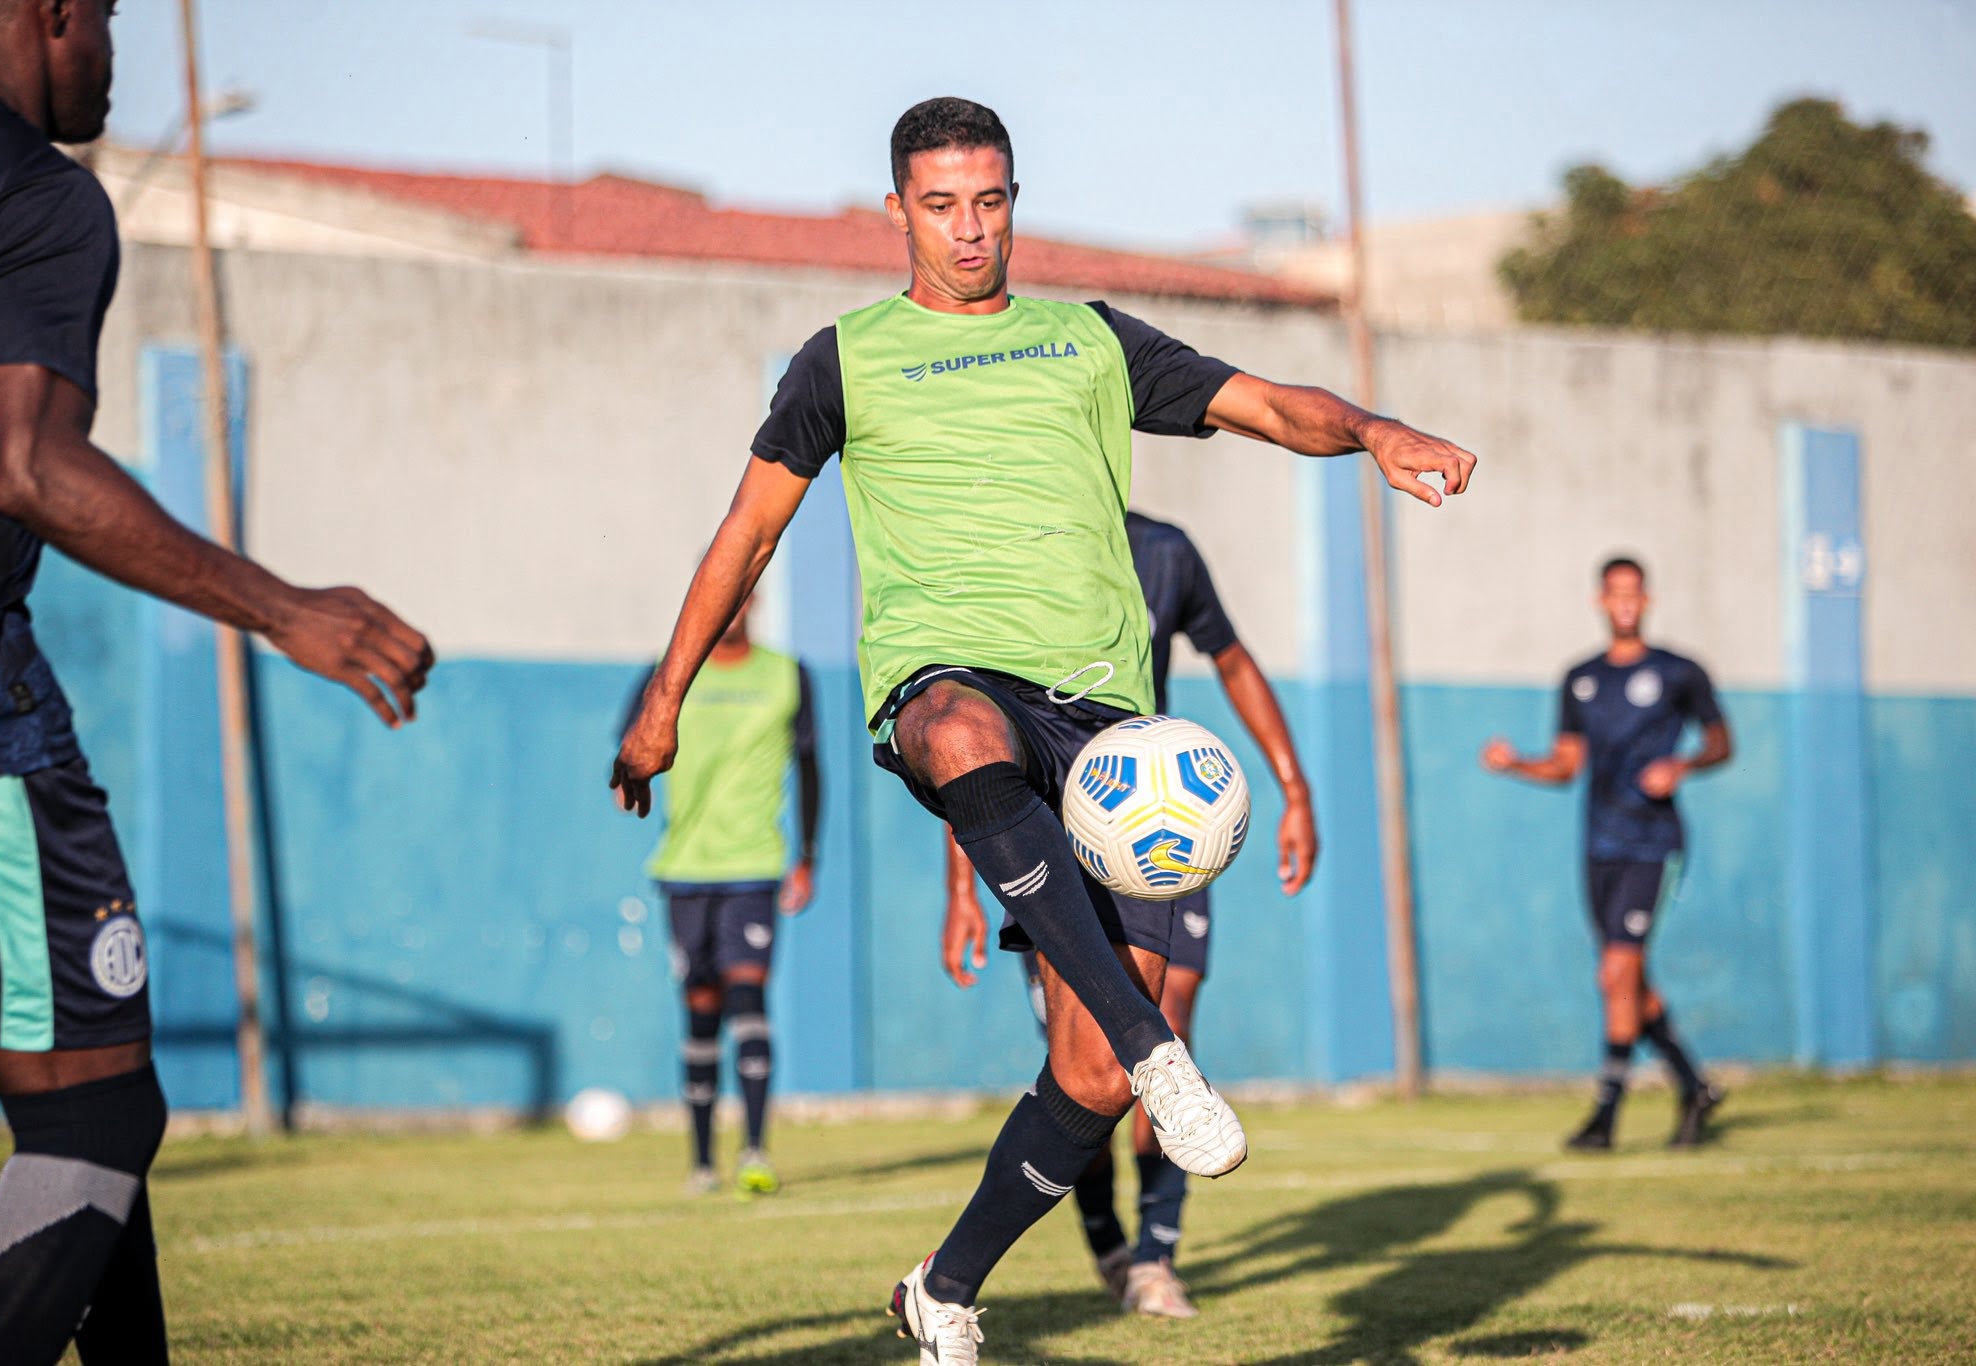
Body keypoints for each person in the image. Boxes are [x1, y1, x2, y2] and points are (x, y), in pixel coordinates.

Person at [610, 96, 1476, 1365]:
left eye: (991, 199)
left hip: (1105, 733)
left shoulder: (1086, 342)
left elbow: (1265, 403)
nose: (969, 230)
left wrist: (1372, 431)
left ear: (1014, 200)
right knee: (958, 728)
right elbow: (745, 532)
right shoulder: (839, 359)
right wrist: (661, 699)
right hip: (944, 679)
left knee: (1082, 1080)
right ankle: (1158, 1047)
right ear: (895, 210)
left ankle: (944, 1287)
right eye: (942, 204)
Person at [0, 3, 434, 1361]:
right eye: (101, 18)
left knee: (92, 1082)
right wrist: (284, 606)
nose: (107, 50)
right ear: (46, 17)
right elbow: (26, 461)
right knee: (96, 1116)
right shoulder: (36, 193)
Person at [940, 508, 1319, 1319]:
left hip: (1167, 830)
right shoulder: (1019, 544)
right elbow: (969, 741)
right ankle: (1109, 1240)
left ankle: (1155, 1258)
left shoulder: (1166, 551)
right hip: (1048, 834)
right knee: (1086, 1065)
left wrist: (1294, 787)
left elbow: (1235, 659)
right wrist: (958, 892)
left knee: (1165, 1025)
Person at [1481, 557, 1729, 1152]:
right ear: (1600, 600)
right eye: (1614, 593)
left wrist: (1684, 764)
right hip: (1599, 844)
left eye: (1633, 593)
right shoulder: (1580, 678)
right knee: (1625, 980)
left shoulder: (1679, 672)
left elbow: (1722, 741)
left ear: (1647, 600)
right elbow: (1567, 766)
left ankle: (1605, 1115)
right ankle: (1694, 1084)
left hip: (1653, 843)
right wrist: (1516, 764)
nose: (1624, 602)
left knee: (1617, 971)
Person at [620, 595, 819, 1198]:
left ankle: (754, 1150)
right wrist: (626, 776)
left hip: (754, 865)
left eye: (740, 593)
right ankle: (702, 1162)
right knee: (701, 1008)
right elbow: (632, 746)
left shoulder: (787, 674)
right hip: (685, 868)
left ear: (753, 598)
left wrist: (807, 857)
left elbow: (812, 767)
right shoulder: (669, 670)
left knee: (747, 995)